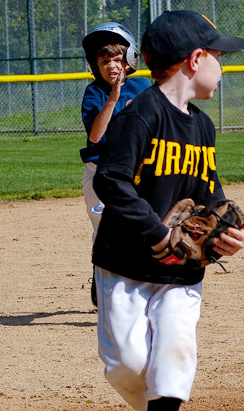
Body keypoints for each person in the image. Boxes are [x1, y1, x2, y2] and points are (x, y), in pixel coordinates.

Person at [91, 10, 244, 411]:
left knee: (175, 346)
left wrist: (225, 236)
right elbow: (111, 181)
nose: (224, 66)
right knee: (125, 363)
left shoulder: (203, 126)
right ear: (195, 59)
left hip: (182, 272)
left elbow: (210, 198)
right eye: (219, 56)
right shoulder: (140, 115)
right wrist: (157, 231)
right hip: (125, 263)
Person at [81, 22, 151, 306]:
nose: (112, 65)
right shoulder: (95, 92)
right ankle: (103, 281)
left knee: (141, 230)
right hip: (102, 173)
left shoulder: (142, 87)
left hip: (136, 172)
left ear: (131, 59)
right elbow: (95, 136)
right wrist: (113, 97)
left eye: (118, 59)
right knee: (106, 232)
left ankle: (138, 289)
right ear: (95, 66)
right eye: (104, 60)